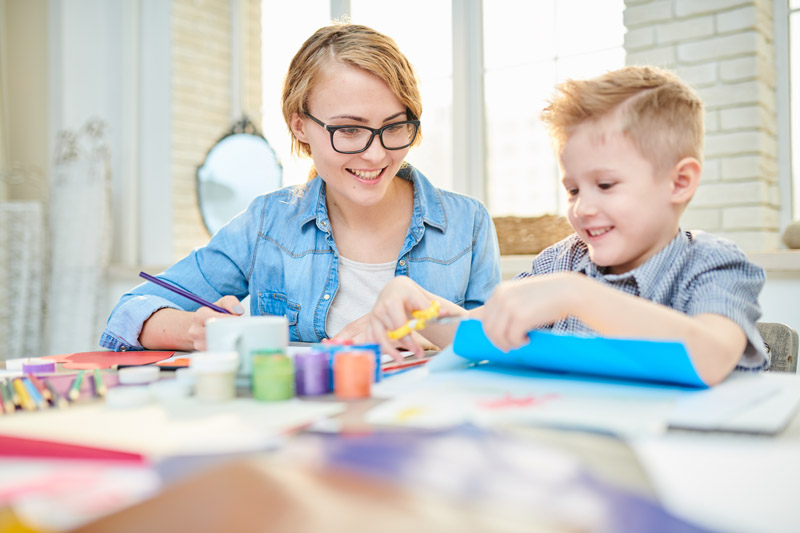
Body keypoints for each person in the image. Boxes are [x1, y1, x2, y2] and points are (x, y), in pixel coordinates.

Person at [99, 22, 500, 351]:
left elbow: (499, 346)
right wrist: (194, 329)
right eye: (349, 130)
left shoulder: (468, 224)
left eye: (394, 127)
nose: (376, 155)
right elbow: (129, 313)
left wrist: (424, 334)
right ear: (300, 125)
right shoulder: (267, 223)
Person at [363, 66, 768, 386]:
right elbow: (483, 331)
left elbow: (711, 357)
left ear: (679, 182)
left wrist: (578, 295)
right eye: (573, 189)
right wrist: (420, 304)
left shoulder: (714, 265)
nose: (583, 208)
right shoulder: (561, 260)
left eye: (605, 185)